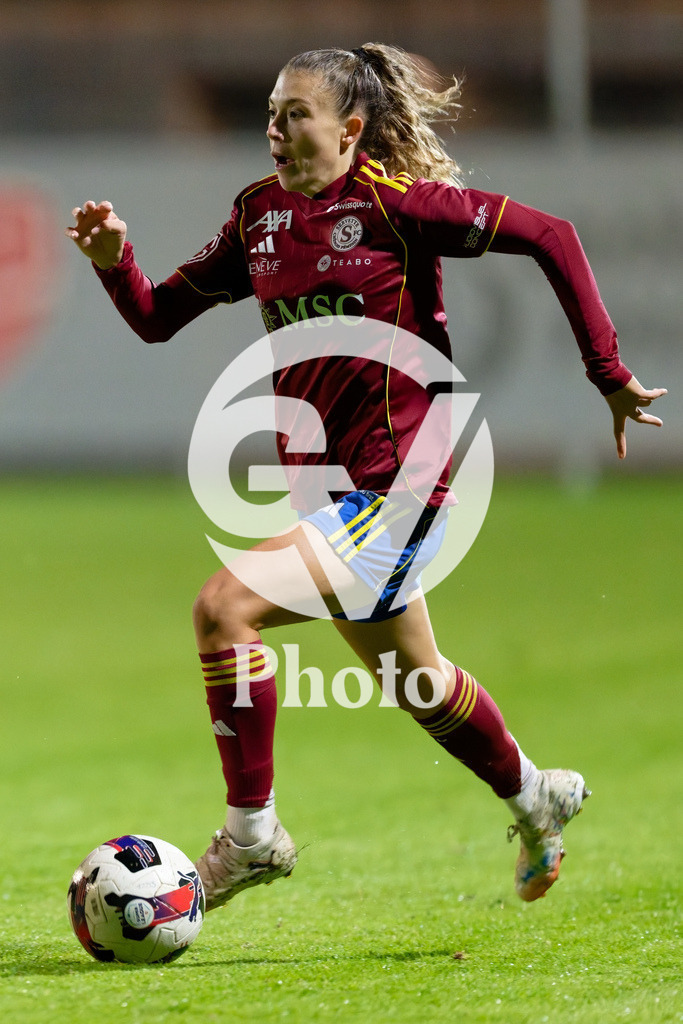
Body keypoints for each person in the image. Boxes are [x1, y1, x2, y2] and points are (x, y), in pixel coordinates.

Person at [66, 43, 666, 911]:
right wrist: (113, 261)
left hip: (400, 491)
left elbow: (552, 236)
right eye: (271, 111)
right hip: (328, 498)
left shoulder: (394, 207)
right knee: (419, 683)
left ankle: (251, 835)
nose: (275, 127)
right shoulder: (257, 219)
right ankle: (534, 795)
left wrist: (604, 370)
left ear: (349, 129)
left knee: (222, 609)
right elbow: (159, 319)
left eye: (295, 112)